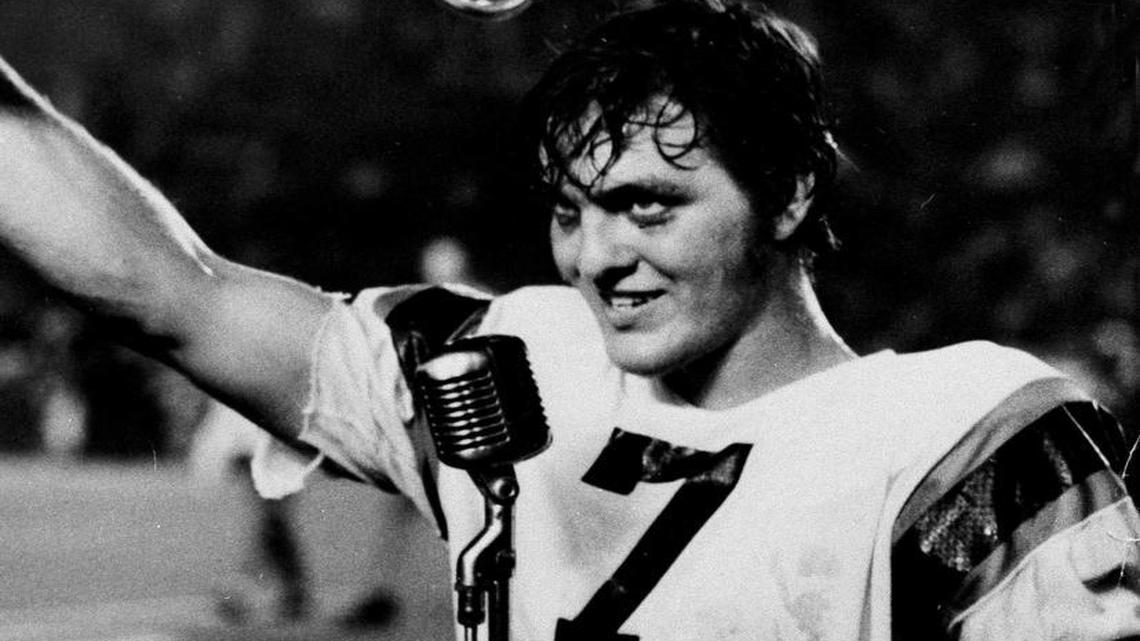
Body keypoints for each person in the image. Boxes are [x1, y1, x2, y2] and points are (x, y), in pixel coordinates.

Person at [0, 1, 1137, 639]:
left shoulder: (966, 439)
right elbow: (170, 291)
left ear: (790, 190)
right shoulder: (519, 359)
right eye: (570, 210)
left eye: (649, 203)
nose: (598, 256)